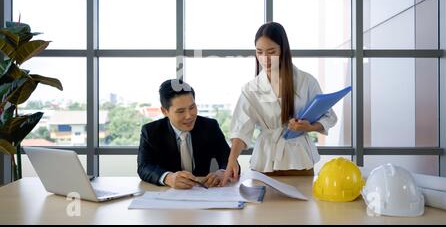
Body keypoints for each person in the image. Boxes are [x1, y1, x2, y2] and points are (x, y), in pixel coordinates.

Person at [222, 22, 337, 185]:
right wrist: (232, 159)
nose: (265, 59)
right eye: (259, 52)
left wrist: (309, 127)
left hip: (299, 160)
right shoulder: (251, 89)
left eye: (271, 52)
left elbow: (329, 116)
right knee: (263, 208)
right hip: (265, 160)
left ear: (283, 50)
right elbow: (241, 130)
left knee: (300, 208)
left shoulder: (306, 81)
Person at [138, 79, 234, 189]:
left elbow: (230, 160)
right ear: (165, 111)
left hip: (204, 193)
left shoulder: (210, 127)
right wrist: (168, 178)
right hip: (168, 195)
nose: (189, 116)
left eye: (192, 107)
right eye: (180, 111)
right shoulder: (151, 131)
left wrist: (222, 172)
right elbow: (144, 167)